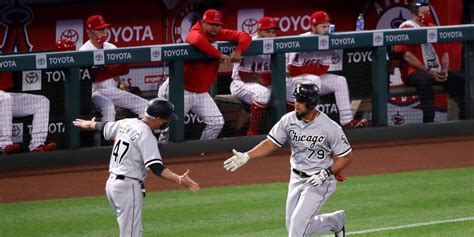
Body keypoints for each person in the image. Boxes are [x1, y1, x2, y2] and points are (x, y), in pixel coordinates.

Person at [224, 82, 349, 237]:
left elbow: (346, 157)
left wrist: (325, 173)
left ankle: (334, 221)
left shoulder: (330, 127)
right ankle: (335, 221)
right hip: (296, 177)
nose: (296, 103)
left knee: (297, 228)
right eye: (296, 99)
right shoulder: (288, 120)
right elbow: (271, 143)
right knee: (293, 225)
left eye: (301, 100)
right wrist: (247, 155)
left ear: (311, 103)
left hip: (320, 181)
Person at [73, 98, 200, 237]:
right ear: (157, 119)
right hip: (128, 187)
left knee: (132, 231)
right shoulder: (146, 135)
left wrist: (89, 124)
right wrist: (179, 179)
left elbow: (104, 126)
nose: (167, 122)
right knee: (131, 234)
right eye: (166, 119)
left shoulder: (127, 122)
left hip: (111, 186)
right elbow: (156, 167)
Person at [158, 9, 251, 141]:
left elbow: (245, 36)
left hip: (200, 92)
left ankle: (203, 150)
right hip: (179, 89)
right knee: (170, 126)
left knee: (217, 122)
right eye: (211, 24)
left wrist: (238, 51)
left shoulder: (219, 34)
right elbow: (196, 40)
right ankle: (161, 153)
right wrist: (219, 55)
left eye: (217, 25)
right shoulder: (195, 32)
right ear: (203, 23)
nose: (214, 27)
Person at [286, 11, 367, 129]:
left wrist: (308, 69)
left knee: (340, 81)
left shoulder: (327, 40)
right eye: (323, 26)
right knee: (314, 79)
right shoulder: (302, 41)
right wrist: (314, 68)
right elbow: (294, 71)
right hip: (290, 83)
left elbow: (324, 69)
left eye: (328, 26)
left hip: (310, 80)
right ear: (313, 27)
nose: (327, 29)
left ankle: (347, 121)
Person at [394, 0, 465, 123]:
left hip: (435, 70)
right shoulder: (406, 27)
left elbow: (444, 52)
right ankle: (429, 122)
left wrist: (444, 70)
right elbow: (407, 56)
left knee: (460, 80)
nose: (427, 15)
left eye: (428, 12)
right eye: (423, 13)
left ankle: (466, 118)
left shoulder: (432, 27)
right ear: (414, 14)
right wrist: (428, 70)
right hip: (414, 72)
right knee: (425, 80)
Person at [79, 15, 148, 122]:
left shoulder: (111, 47)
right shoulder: (84, 51)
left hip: (112, 91)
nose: (103, 32)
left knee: (144, 105)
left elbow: (123, 70)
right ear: (89, 32)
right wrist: (109, 71)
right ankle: (108, 138)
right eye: (99, 30)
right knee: (108, 108)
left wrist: (105, 70)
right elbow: (91, 77)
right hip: (94, 93)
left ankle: (142, 133)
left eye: (104, 29)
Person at [0, 51, 57, 154]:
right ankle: (3, 144)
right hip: (4, 98)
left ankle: (37, 145)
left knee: (42, 102)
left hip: (3, 97)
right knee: (5, 98)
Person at [231, 17, 279, 135]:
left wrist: (264, 80)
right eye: (267, 32)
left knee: (283, 92)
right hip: (240, 83)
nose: (271, 35)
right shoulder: (250, 44)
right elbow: (244, 76)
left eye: (273, 32)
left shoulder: (277, 44)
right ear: (259, 31)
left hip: (262, 83)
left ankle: (281, 133)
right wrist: (263, 80)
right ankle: (252, 134)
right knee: (262, 94)